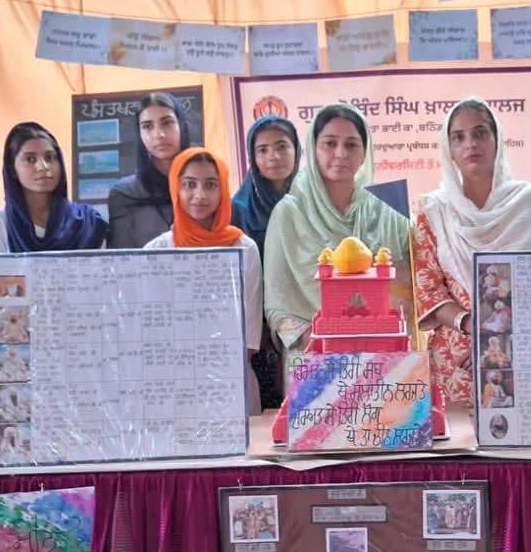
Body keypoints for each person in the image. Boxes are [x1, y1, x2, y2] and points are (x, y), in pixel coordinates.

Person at [414, 97, 531, 403]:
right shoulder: (434, 210)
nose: (470, 144)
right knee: (455, 434)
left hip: (523, 352)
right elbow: (428, 290)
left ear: (497, 140)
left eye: (481, 133)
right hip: (457, 361)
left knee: (522, 430)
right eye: (458, 137)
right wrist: (473, 326)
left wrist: (500, 336)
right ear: (449, 150)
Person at [263, 103, 410, 351]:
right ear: (313, 149)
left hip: (384, 355)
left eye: (351, 145)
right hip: (316, 357)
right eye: (330, 144)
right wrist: (323, 340)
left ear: (364, 153)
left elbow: (412, 288)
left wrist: (374, 338)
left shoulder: (389, 211)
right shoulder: (289, 213)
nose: (341, 153)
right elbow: (277, 305)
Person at [144, 147, 265, 414]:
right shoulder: (156, 252)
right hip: (174, 387)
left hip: (232, 384)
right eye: (189, 184)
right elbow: (151, 332)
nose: (199, 195)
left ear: (223, 190)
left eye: (210, 185)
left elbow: (249, 335)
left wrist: (217, 380)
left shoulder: (244, 249)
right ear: (176, 189)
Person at [232, 115, 300, 411]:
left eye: (281, 146)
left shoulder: (312, 201)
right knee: (270, 411)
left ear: (297, 150)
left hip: (303, 319)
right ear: (252, 156)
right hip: (258, 328)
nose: (273, 156)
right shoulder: (239, 208)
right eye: (263, 149)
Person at [0, 122, 108, 258]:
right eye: (30, 159)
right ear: (12, 169)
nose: (43, 166)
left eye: (49, 157)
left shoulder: (89, 225)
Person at [108, 92, 193, 248]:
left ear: (181, 126)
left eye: (167, 123)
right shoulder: (125, 194)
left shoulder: (204, 186)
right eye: (147, 126)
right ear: (139, 134)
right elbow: (122, 257)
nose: (159, 134)